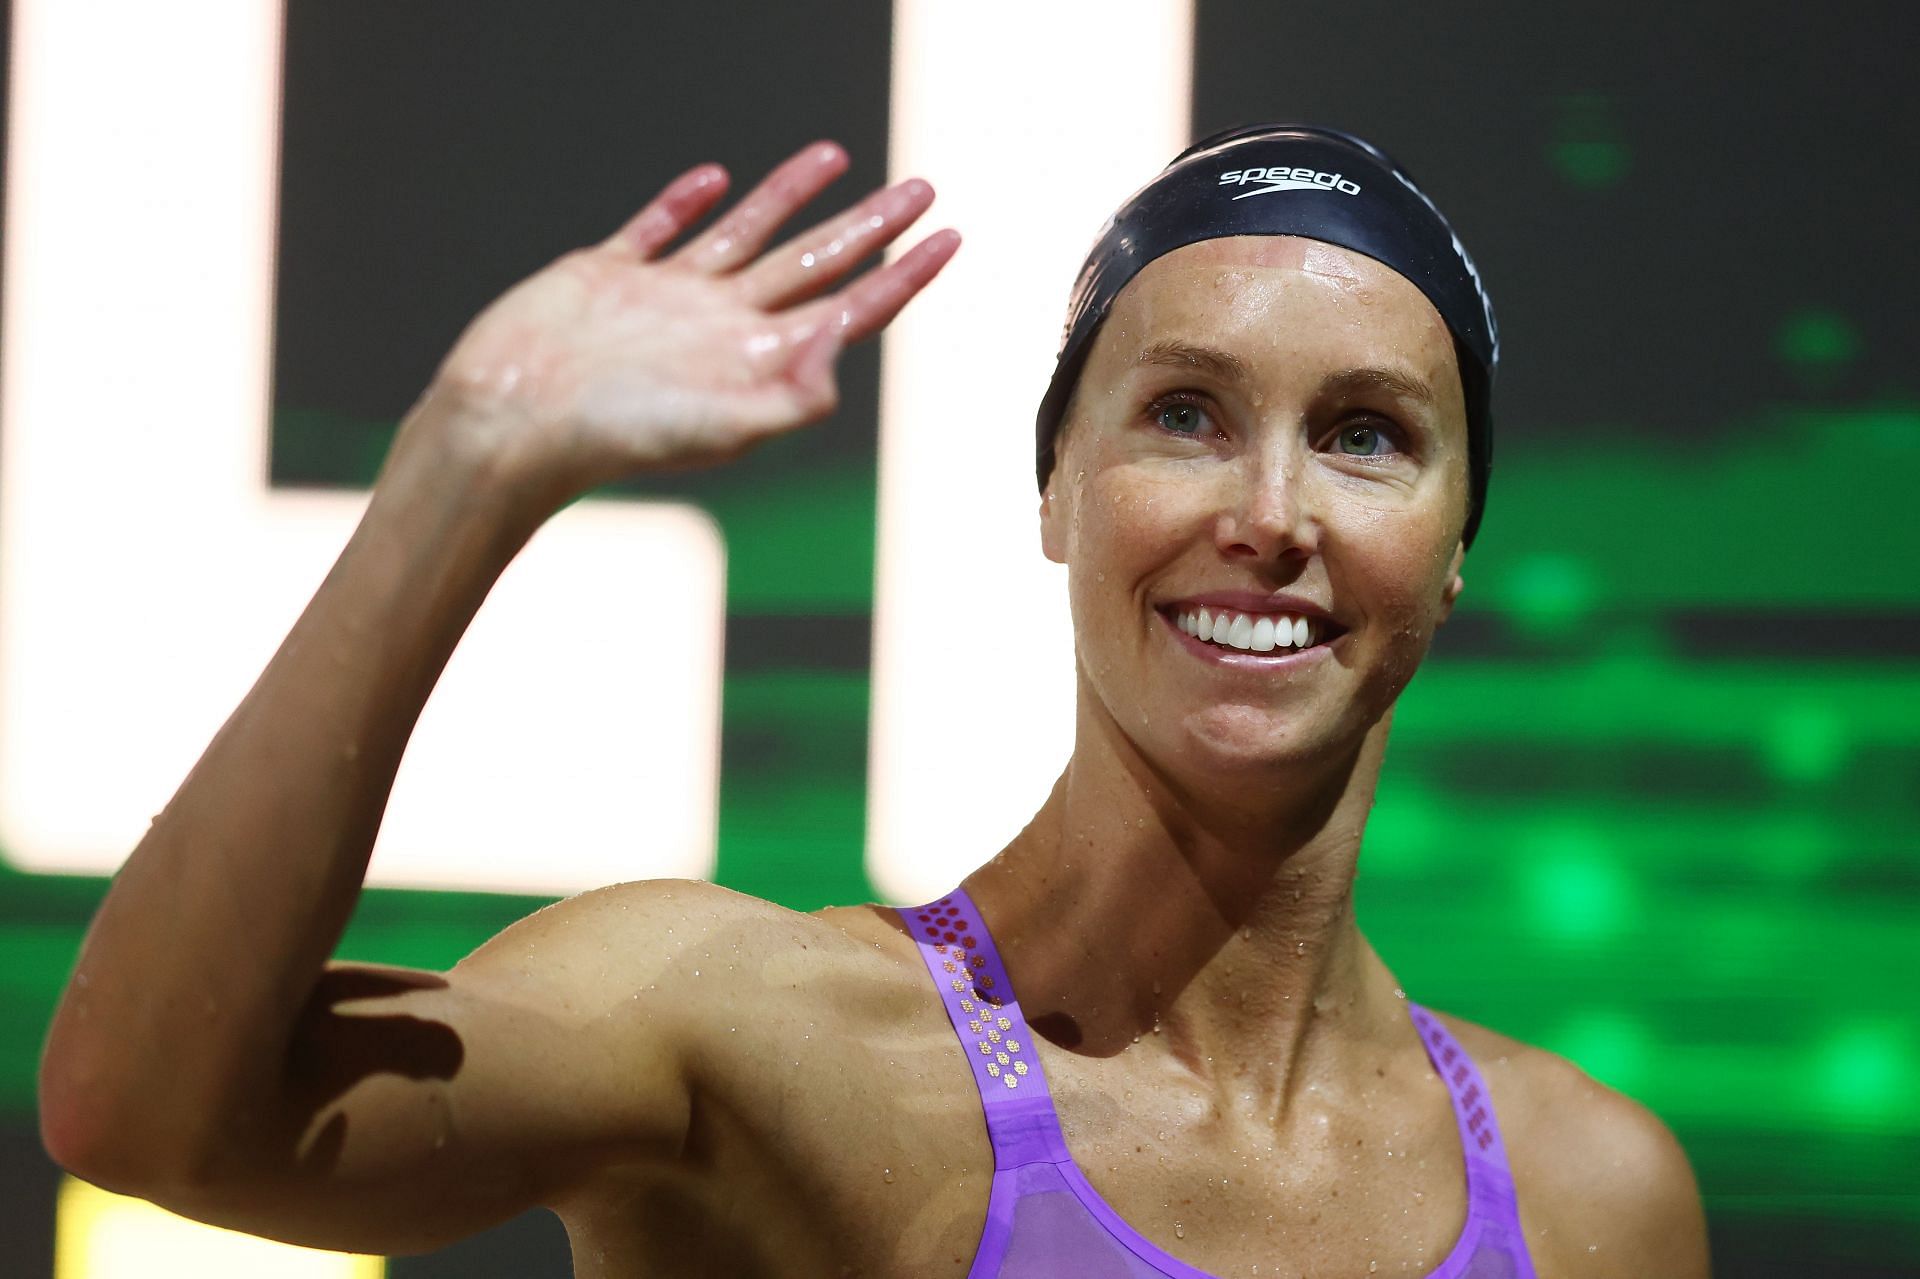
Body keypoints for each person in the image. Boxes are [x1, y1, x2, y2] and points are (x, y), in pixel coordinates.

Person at [38, 127, 1711, 1277]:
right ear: (1054, 495)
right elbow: (143, 1109)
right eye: (1187, 414)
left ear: (1457, 542)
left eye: (1366, 434)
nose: (1270, 514)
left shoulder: (1597, 1201)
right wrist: (467, 463)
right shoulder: (755, 1041)